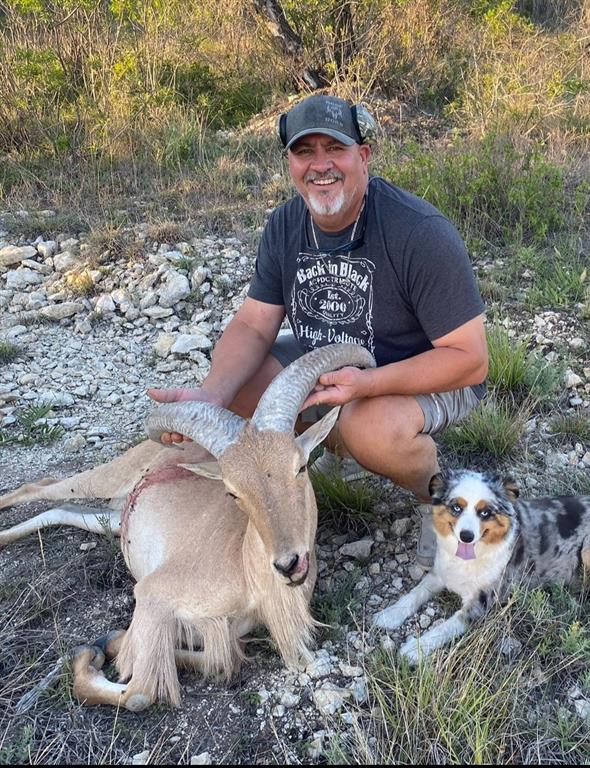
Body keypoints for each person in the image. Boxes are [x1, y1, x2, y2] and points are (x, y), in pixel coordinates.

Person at [148, 94, 488, 568]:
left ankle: (434, 494)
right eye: (305, 151)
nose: (320, 165)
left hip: (428, 371)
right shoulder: (285, 224)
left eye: (335, 149)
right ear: (290, 163)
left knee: (370, 428)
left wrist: (367, 385)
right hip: (332, 366)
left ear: (363, 156)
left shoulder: (418, 231)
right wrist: (212, 397)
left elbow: (470, 359)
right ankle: (329, 454)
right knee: (239, 382)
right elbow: (253, 324)